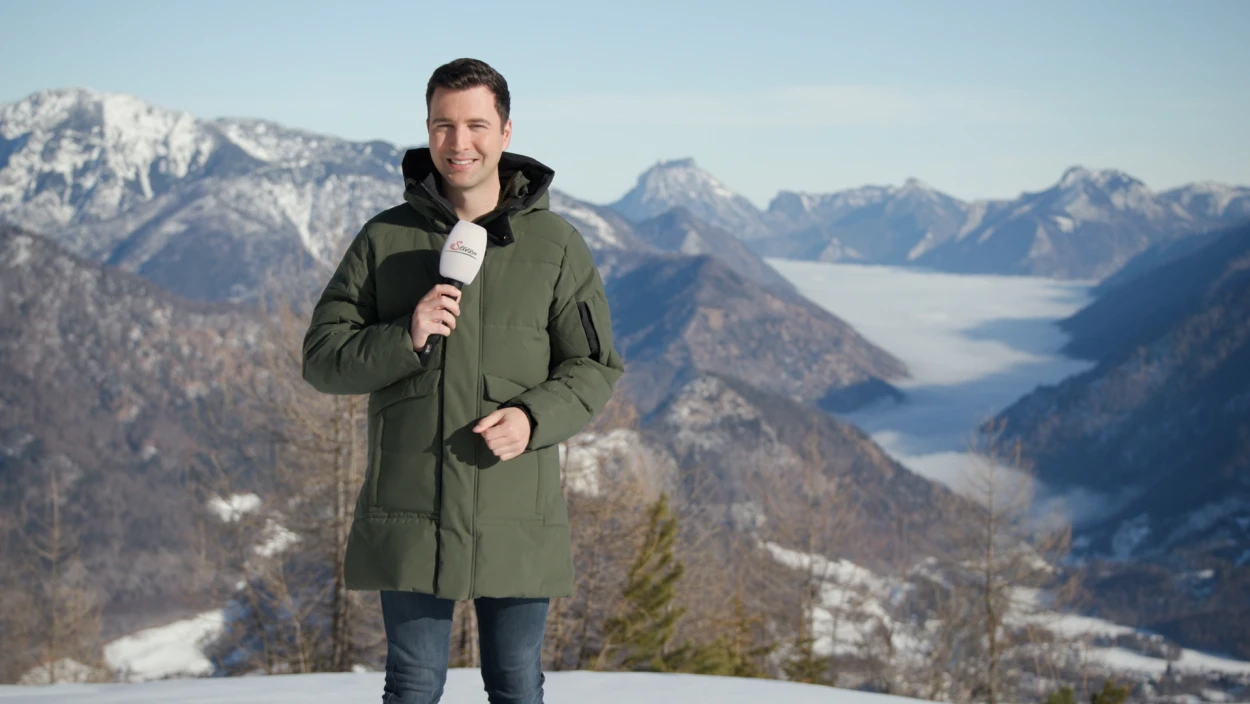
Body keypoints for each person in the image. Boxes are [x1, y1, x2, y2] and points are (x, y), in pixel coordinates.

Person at [301, 57, 624, 704]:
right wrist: (406, 334)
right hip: (412, 509)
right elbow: (322, 358)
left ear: (505, 132)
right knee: (415, 685)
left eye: (476, 124)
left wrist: (534, 419)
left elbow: (593, 366)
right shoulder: (385, 239)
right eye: (443, 125)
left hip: (514, 509)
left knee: (514, 684)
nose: (459, 142)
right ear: (428, 131)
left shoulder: (557, 247)